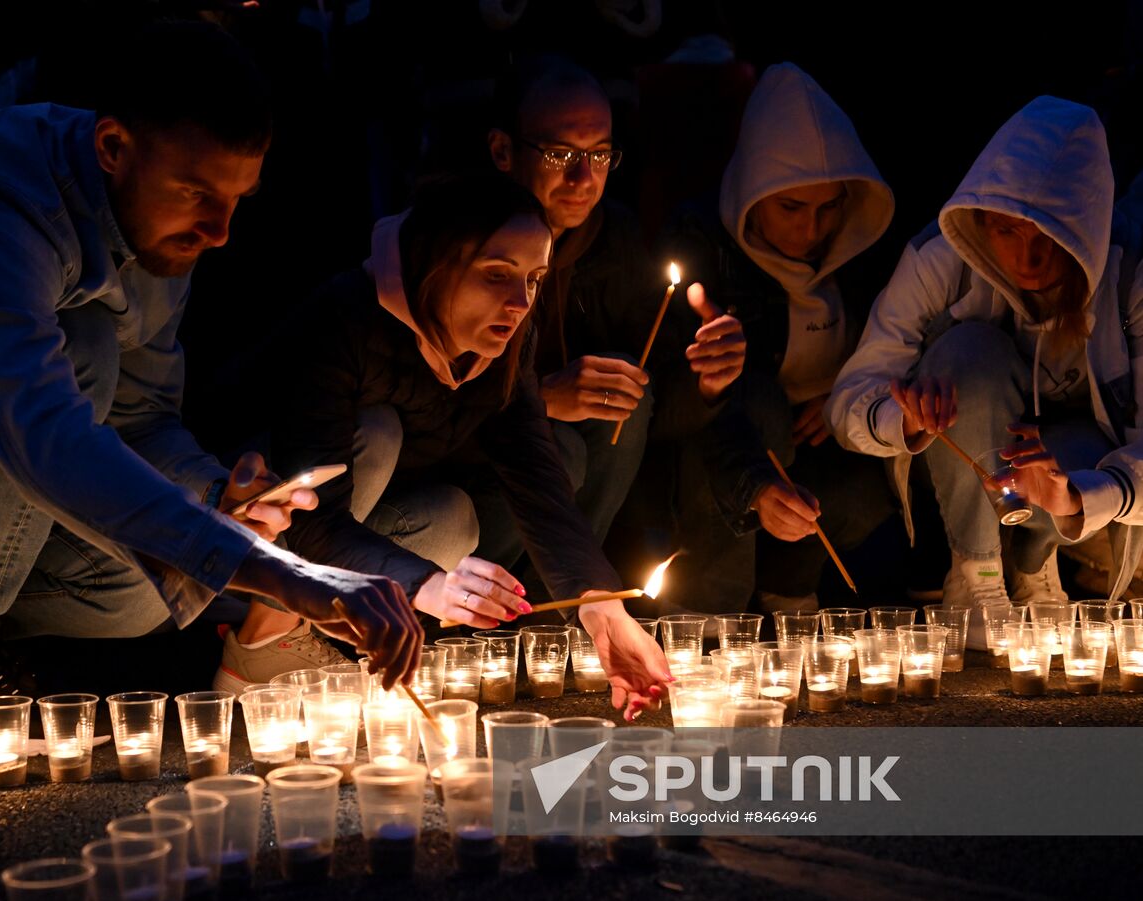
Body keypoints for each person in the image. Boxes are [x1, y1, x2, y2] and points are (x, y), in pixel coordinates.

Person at [0, 21, 421, 722]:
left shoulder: (156, 230)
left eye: (236, 200)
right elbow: (44, 434)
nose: (219, 230)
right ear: (111, 148)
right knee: (82, 342)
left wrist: (217, 497)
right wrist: (288, 575)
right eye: (194, 192)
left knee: (142, 589)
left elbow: (138, 418)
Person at [247, 173, 670, 719]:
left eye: (535, 279)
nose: (520, 303)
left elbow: (536, 478)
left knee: (454, 520)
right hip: (237, 524)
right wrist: (427, 585)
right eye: (497, 275)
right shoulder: (344, 320)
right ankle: (260, 636)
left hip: (365, 524)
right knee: (377, 432)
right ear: (437, 265)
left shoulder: (507, 339)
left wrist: (602, 609)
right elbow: (304, 514)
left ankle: (313, 622)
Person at [828, 96, 1143, 637]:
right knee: (967, 352)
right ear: (980, 222)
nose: (1027, 259)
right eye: (1006, 231)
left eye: (1050, 236)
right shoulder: (940, 258)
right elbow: (852, 396)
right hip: (959, 469)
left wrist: (1075, 496)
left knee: (1076, 462)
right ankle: (977, 574)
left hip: (1080, 477)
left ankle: (1034, 563)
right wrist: (902, 419)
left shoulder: (1129, 276)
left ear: (1086, 226)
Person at [477, 54, 745, 584]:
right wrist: (541, 397)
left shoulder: (614, 241)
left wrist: (708, 382)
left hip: (570, 499)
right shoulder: (460, 246)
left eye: (599, 155)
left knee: (623, 386)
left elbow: (653, 409)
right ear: (503, 150)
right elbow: (421, 406)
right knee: (565, 450)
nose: (583, 178)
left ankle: (560, 606)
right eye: (559, 154)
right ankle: (480, 612)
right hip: (465, 479)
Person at [664, 63, 897, 612]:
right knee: (759, 402)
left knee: (864, 489)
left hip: (826, 454)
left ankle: (787, 589)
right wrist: (713, 378)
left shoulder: (865, 259)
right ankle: (712, 613)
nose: (812, 230)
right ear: (752, 192)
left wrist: (850, 392)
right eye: (791, 207)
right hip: (730, 456)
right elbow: (680, 411)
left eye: (828, 207)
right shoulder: (705, 248)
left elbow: (907, 344)